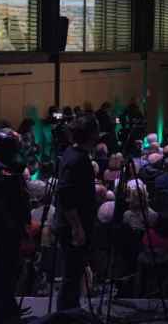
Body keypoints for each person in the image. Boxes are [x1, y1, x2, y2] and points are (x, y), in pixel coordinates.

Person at [0, 131, 31, 324]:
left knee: (11, 269)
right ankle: (1, 310)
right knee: (4, 270)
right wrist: (17, 228)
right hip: (4, 230)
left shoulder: (3, 168)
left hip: (7, 228)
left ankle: (8, 305)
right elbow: (4, 206)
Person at [55, 116, 99, 311]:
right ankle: (66, 316)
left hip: (73, 224)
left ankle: (69, 313)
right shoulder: (78, 159)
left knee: (73, 274)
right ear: (92, 135)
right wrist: (77, 227)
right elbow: (65, 194)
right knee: (72, 276)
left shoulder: (70, 153)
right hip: (72, 226)